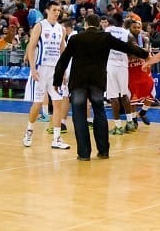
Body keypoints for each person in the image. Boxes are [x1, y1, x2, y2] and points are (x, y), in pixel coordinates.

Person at [53, 14, 149, 161]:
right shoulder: (105, 37)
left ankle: (84, 154)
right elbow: (126, 47)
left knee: (79, 116)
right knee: (99, 112)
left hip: (78, 82)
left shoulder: (75, 39)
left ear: (85, 24)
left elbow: (63, 60)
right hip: (97, 82)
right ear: (98, 25)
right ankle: (103, 151)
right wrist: (145, 54)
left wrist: (57, 80)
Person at [23, 0, 70, 150]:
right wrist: (32, 68)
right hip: (40, 69)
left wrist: (63, 70)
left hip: (55, 70)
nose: (57, 12)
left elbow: (63, 51)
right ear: (47, 11)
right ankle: (29, 130)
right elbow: (30, 47)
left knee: (57, 103)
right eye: (55, 10)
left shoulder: (61, 29)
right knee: (37, 104)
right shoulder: (40, 26)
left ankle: (56, 138)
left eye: (59, 10)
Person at [105, 16, 135, 135]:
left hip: (111, 64)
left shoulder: (107, 31)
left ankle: (118, 126)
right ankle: (130, 122)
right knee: (124, 94)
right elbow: (133, 48)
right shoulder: (127, 33)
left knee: (113, 97)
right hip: (123, 65)